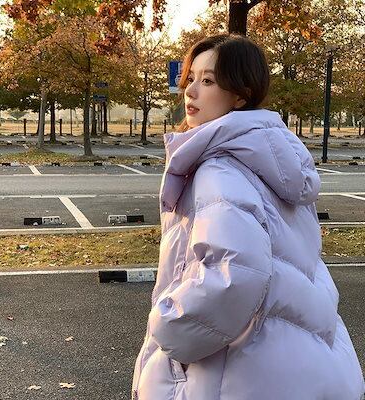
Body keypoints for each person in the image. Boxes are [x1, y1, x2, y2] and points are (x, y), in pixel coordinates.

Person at [131, 34, 364, 400]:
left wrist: (169, 326)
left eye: (208, 81)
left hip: (237, 373)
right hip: (304, 366)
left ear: (240, 95)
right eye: (190, 78)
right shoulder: (274, 163)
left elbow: (235, 273)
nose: (190, 90)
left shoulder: (220, 169)